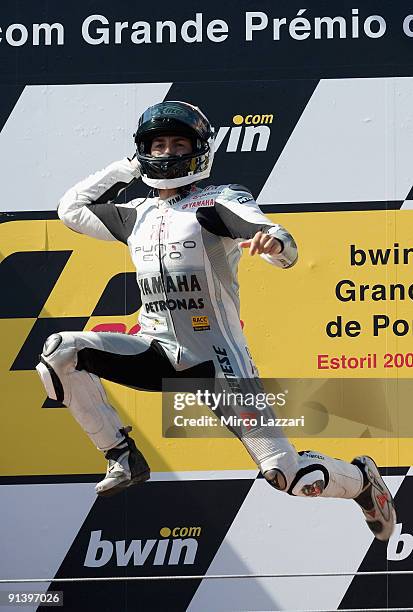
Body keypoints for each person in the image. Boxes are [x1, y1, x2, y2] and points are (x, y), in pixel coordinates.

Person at [36, 101, 396, 541]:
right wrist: (128, 167)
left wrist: (274, 244)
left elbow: (280, 239)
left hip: (218, 364)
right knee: (60, 352)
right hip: (158, 352)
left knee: (286, 477)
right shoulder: (137, 215)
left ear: (198, 150)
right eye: (157, 144)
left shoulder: (218, 200)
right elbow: (70, 208)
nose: (167, 153)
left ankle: (360, 481)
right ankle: (122, 455)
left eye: (178, 143)